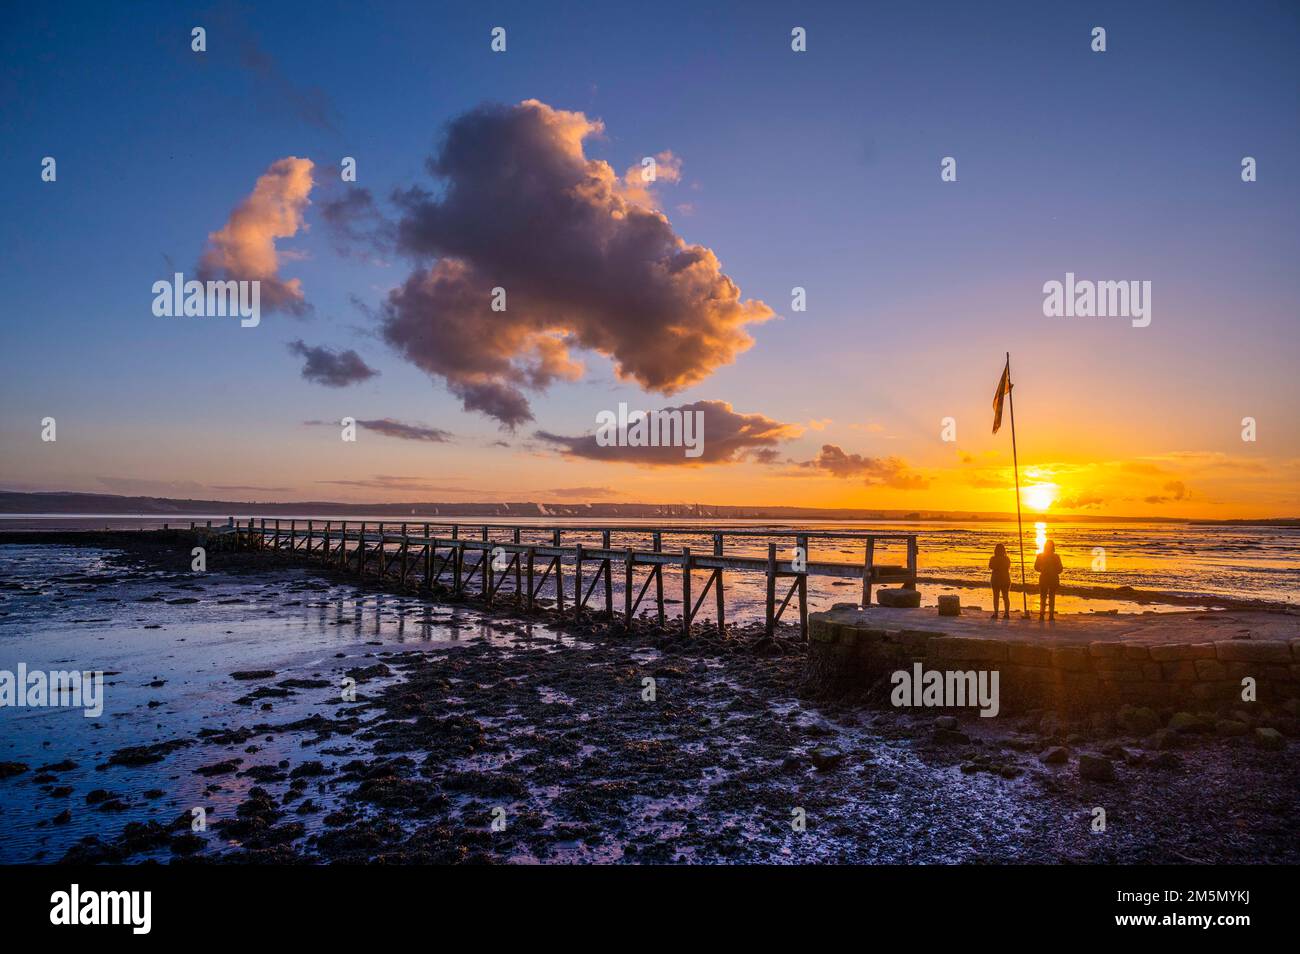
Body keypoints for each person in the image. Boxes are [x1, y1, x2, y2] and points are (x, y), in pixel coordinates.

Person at [1034, 539, 1063, 621]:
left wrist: (1045, 569)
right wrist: (1045, 569)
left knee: (1044, 597)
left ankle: (1045, 614)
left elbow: (1060, 569)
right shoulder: (1052, 556)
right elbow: (1060, 569)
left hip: (1048, 578)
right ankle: (1047, 614)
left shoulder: (1044, 556)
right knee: (1049, 597)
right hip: (1048, 578)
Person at [988, 543, 1011, 619]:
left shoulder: (993, 558)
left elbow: (991, 566)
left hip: (997, 579)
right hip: (1004, 579)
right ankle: (1006, 613)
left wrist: (997, 566)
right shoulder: (1006, 559)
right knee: (1005, 597)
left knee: (996, 597)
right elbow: (1007, 567)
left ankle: (996, 613)